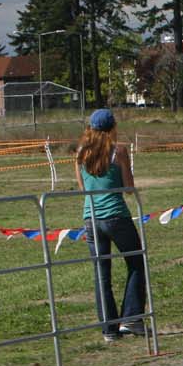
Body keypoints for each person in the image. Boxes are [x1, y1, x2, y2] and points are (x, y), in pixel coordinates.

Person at [75, 109, 146, 343]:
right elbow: (128, 188)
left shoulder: (81, 154)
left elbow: (83, 190)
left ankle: (109, 329)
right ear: (112, 128)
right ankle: (132, 318)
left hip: (90, 217)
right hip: (116, 215)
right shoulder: (119, 152)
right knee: (136, 261)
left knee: (101, 274)